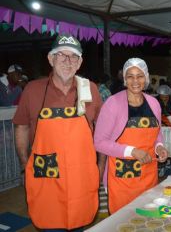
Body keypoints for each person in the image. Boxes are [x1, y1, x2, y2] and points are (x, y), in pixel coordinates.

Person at [13, 34, 104, 231]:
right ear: (50, 59)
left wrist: (100, 166)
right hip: (47, 176)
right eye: (61, 55)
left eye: (73, 57)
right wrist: (24, 164)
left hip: (82, 176)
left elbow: (102, 132)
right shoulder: (32, 89)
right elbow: (21, 127)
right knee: (50, 223)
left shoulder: (91, 90)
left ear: (80, 63)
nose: (67, 61)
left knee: (82, 223)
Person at [94, 57, 168, 214]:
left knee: (148, 220)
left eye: (140, 76)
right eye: (130, 76)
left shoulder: (154, 103)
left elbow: (157, 135)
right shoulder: (113, 103)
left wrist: (160, 148)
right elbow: (99, 142)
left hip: (149, 177)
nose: (135, 81)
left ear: (146, 78)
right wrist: (132, 151)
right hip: (121, 181)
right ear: (124, 80)